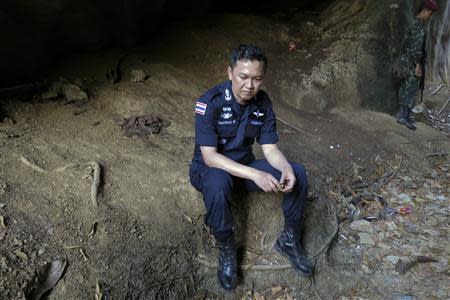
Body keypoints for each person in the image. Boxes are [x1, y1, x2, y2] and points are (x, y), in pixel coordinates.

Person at [189, 44, 313, 292]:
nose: (249, 85)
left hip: (243, 167)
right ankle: (226, 249)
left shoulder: (262, 102)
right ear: (230, 73)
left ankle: (289, 239)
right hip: (210, 169)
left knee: (297, 172)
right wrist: (256, 174)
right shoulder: (209, 102)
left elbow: (270, 149)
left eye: (257, 78)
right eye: (243, 77)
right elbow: (211, 158)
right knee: (217, 181)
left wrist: (285, 167)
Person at [396, 0, 438, 130]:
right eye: (429, 13)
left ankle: (402, 114)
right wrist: (418, 65)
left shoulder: (414, 23)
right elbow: (415, 49)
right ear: (424, 10)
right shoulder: (418, 27)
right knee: (411, 88)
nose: (430, 17)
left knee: (405, 87)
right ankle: (404, 116)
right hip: (411, 63)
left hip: (405, 61)